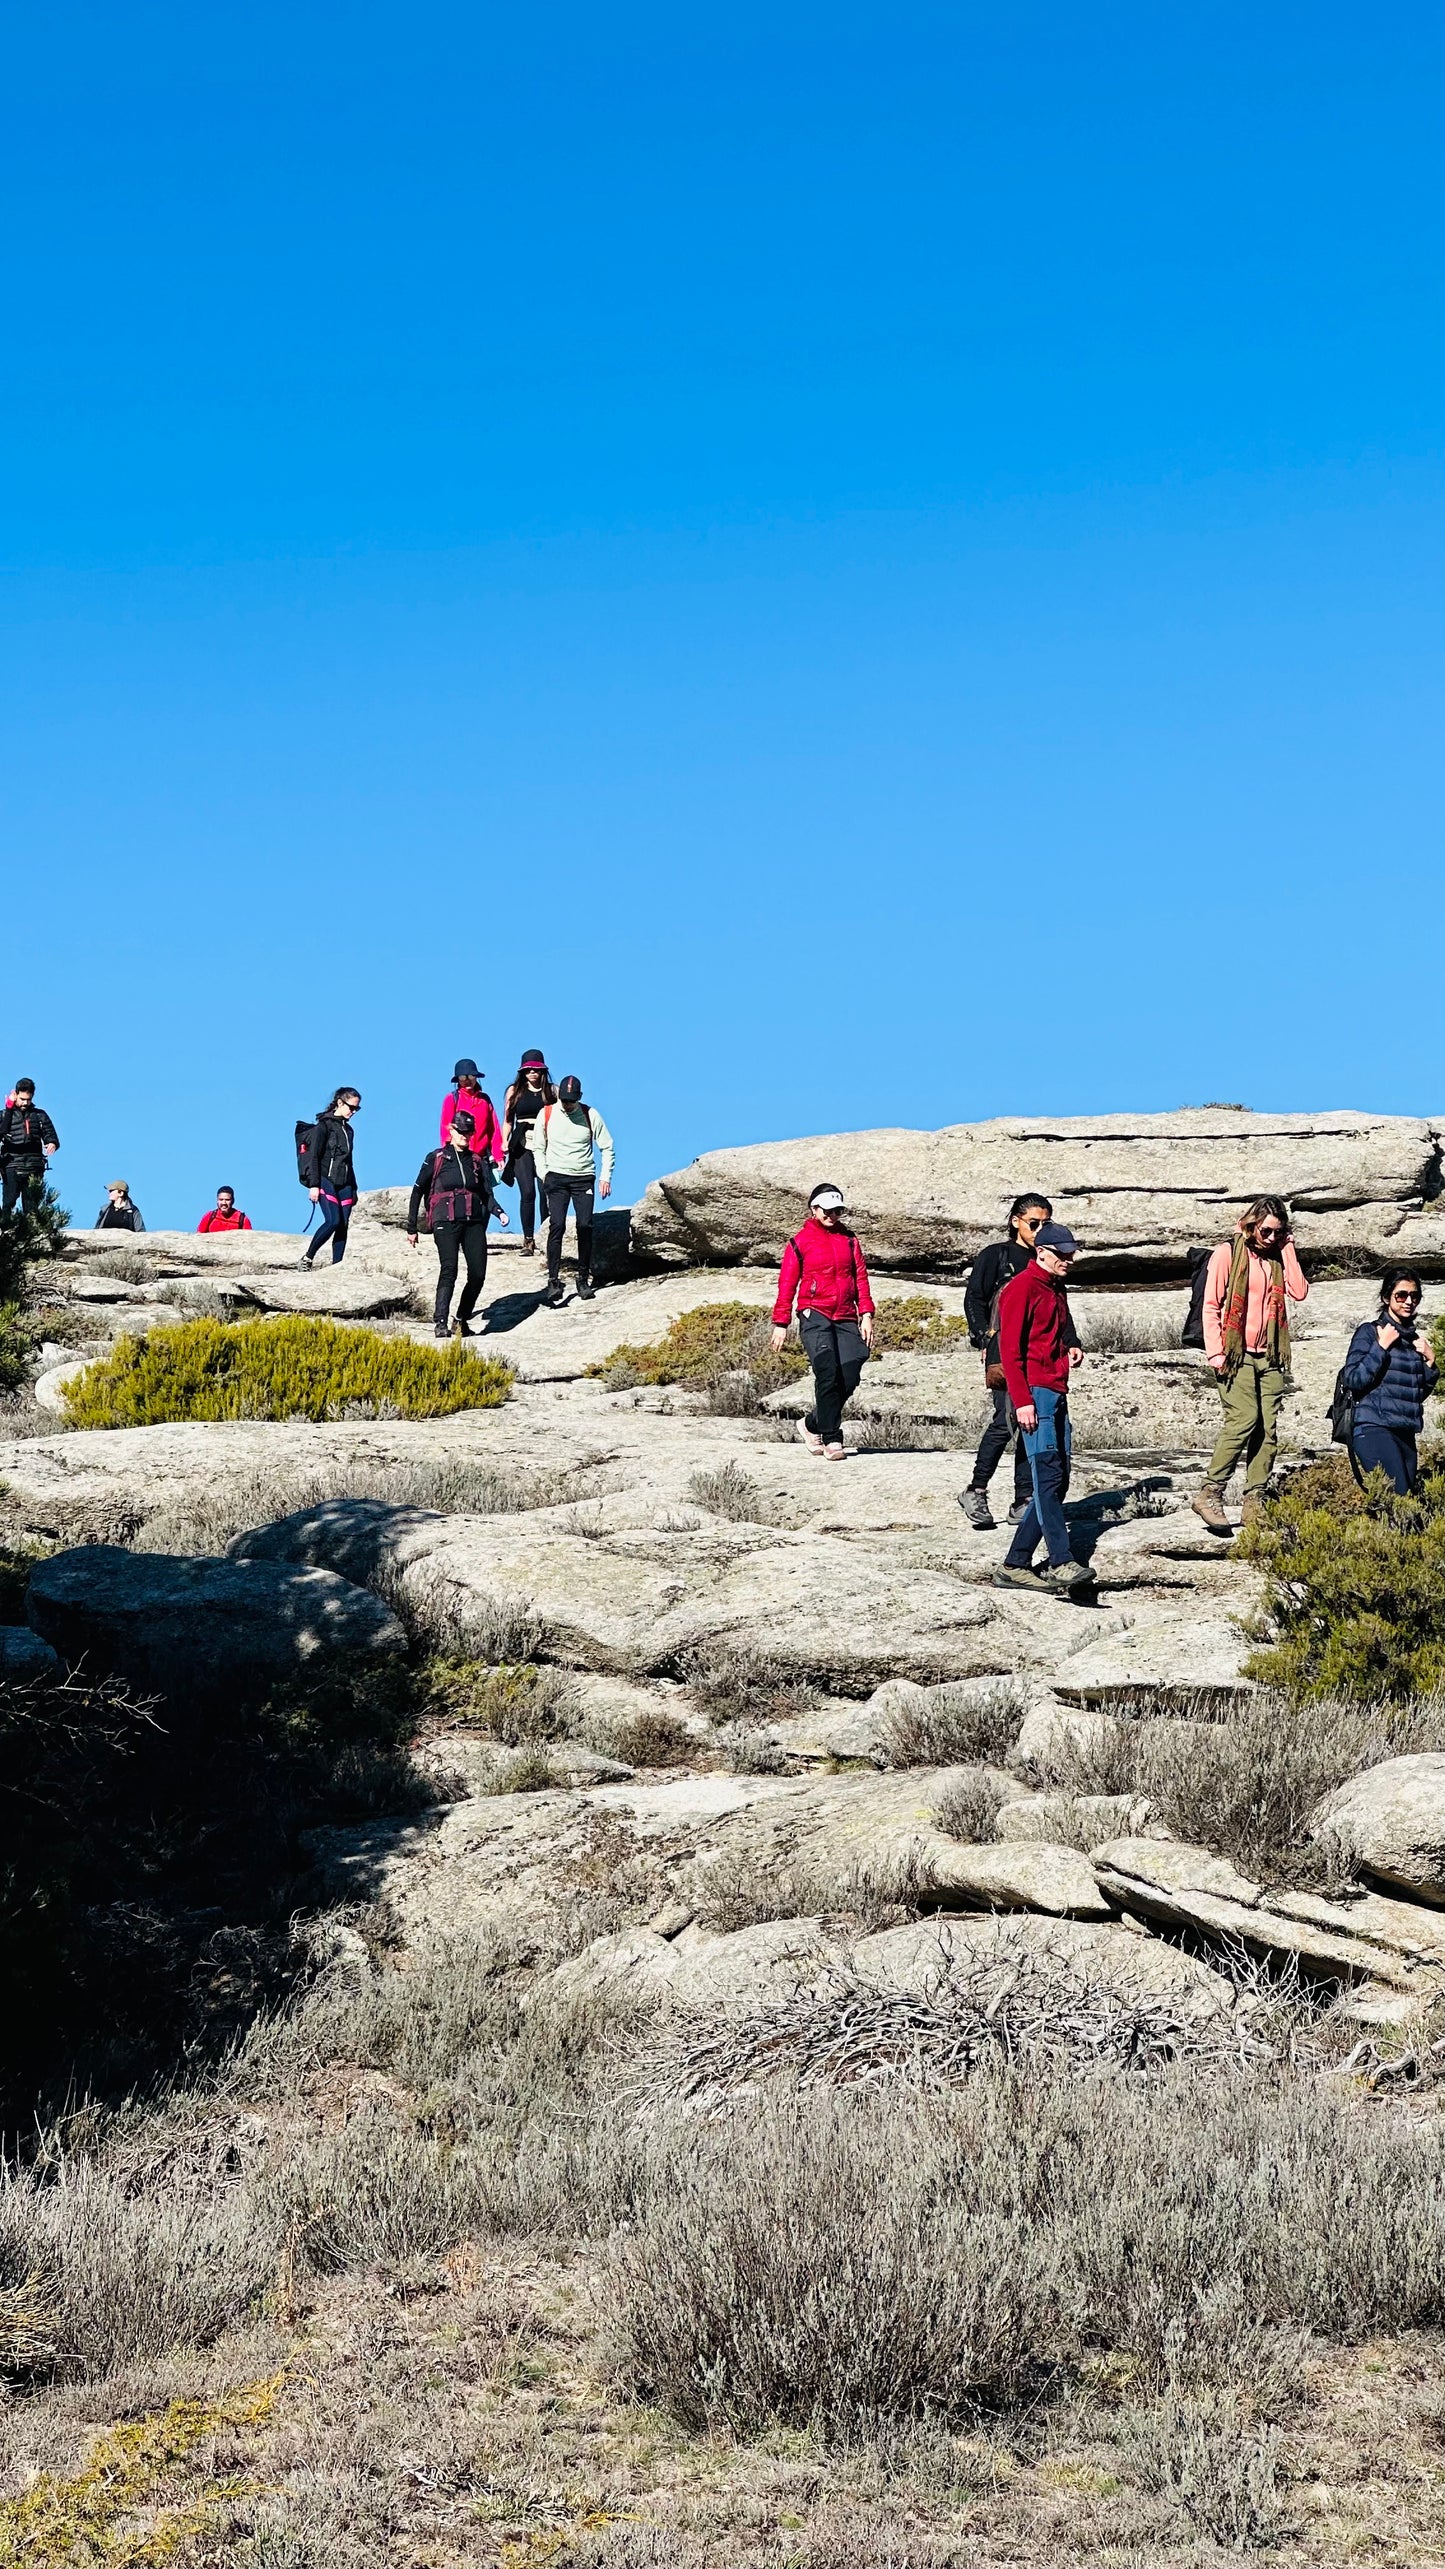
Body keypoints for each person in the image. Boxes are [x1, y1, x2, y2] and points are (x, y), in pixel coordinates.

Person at [1192, 1195, 1309, 1532]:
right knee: (1243, 1418)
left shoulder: (1277, 1257)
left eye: (1278, 1232)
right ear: (1252, 1224)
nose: (1270, 1238)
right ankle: (1210, 1491)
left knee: (1267, 1429)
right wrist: (1216, 1352)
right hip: (1235, 1353)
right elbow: (1211, 1306)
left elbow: (1298, 1292)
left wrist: (1288, 1250)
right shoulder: (1227, 1253)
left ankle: (1254, 1499)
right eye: (1267, 1231)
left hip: (1269, 1354)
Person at [993, 1221, 1091, 1594]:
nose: (1070, 1259)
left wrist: (1072, 1342)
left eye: (1071, 1253)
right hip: (1035, 1395)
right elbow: (1010, 1352)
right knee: (1047, 1477)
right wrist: (1022, 1402)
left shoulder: (1054, 1286)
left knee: (1058, 1480)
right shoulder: (1020, 1290)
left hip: (1057, 1390)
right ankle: (1062, 1562)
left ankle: (1015, 1564)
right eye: (1063, 1253)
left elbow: (1062, 1324)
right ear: (1042, 1252)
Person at [957, 1193, 1053, 1529]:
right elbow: (975, 1298)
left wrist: (1069, 1341)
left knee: (1032, 1422)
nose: (1040, 1229)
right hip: (1002, 1348)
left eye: (1045, 1223)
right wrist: (983, 1336)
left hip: (1037, 1351)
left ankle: (1023, 1499)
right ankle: (976, 1489)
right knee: (1007, 1418)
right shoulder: (996, 1255)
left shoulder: (1046, 1258)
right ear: (1016, 1221)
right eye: (1034, 1223)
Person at [770, 1183, 875, 1459]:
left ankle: (811, 1423)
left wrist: (866, 1314)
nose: (832, 1215)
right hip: (814, 1312)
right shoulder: (799, 1242)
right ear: (814, 1209)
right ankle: (831, 1437)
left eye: (838, 1210)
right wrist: (781, 1323)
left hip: (845, 1315)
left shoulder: (850, 1240)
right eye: (827, 1210)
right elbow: (787, 1283)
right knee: (827, 1371)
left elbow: (860, 1277)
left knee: (850, 1372)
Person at [406, 1107, 509, 1336]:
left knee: (478, 1274)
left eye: (469, 1132)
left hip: (473, 1220)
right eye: (461, 1131)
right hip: (445, 1220)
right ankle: (440, 1321)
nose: (465, 1136)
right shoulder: (436, 1158)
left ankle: (461, 1319)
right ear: (451, 1130)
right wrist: (412, 1227)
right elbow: (417, 1191)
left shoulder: (476, 1161)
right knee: (449, 1269)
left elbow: (486, 1194)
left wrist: (499, 1212)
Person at [1340, 1269, 1438, 1496]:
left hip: (1404, 1431)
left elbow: (1412, 1395)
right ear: (1386, 1298)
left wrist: (1431, 1364)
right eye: (1401, 1295)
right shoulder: (1370, 1332)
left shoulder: (1414, 1341)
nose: (1409, 1301)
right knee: (1398, 1497)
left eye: (1415, 1296)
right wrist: (1380, 1347)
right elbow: (1354, 1380)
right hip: (1373, 1427)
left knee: (1404, 1502)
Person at [533, 1074, 614, 1306]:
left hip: (583, 1178)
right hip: (556, 1178)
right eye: (564, 1100)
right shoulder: (546, 1113)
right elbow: (538, 1147)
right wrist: (544, 1173)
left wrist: (605, 1177)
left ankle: (582, 1278)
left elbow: (607, 1147)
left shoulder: (590, 1115)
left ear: (579, 1098)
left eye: (571, 1101)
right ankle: (553, 1280)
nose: (567, 1105)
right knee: (556, 1224)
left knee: (585, 1225)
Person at [502, 1050, 554, 1254]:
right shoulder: (514, 1091)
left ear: (543, 1070)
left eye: (536, 1069)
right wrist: (504, 1144)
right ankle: (528, 1240)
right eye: (528, 1070)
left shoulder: (552, 1091)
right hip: (521, 1144)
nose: (532, 1073)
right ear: (522, 1072)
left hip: (546, 1144)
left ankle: (546, 1235)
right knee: (527, 1192)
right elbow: (507, 1120)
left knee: (545, 1191)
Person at [300, 1089, 360, 1267]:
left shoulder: (349, 1130)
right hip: (326, 1179)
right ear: (340, 1103)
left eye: (357, 1109)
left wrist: (354, 1188)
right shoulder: (323, 1126)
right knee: (333, 1221)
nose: (354, 1112)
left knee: (343, 1224)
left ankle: (337, 1266)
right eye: (352, 1107)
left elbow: (349, 1160)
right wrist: (314, 1185)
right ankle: (307, 1258)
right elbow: (314, 1157)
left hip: (346, 1183)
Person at [0, 1079, 58, 1221]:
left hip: (34, 1165)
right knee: (9, 1202)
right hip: (12, 1165)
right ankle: (5, 1231)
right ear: (15, 1094)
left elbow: (51, 1134)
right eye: (22, 1099)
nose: (25, 1103)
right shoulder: (4, 1115)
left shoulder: (39, 1115)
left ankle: (32, 1232)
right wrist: (9, 1108)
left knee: (32, 1205)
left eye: (29, 1099)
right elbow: (2, 1133)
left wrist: (52, 1143)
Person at [440, 1059, 504, 1166]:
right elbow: (446, 1129)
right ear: (458, 1080)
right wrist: (448, 1153)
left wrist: (498, 1155)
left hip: (481, 1158)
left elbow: (493, 1129)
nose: (467, 1080)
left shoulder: (485, 1100)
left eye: (471, 1076)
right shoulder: (451, 1099)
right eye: (462, 1077)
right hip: (459, 1158)